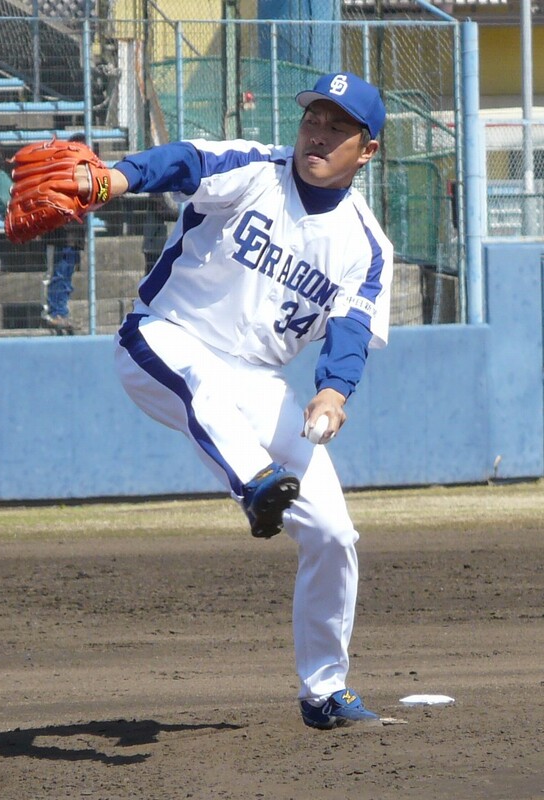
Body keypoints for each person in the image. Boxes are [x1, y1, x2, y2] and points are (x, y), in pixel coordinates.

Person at [80, 71, 393, 729]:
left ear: (367, 151)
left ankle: (324, 692)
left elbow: (353, 326)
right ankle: (254, 484)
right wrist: (118, 177)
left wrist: (335, 391)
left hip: (258, 382)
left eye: (339, 127)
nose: (319, 133)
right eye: (314, 117)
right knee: (204, 386)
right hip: (165, 336)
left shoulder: (366, 247)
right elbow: (188, 162)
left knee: (334, 534)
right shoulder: (256, 171)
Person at [41, 133, 87, 333]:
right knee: (60, 273)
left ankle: (61, 311)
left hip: (73, 234)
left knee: (65, 274)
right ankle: (56, 312)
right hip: (63, 233)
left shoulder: (84, 171)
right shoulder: (63, 171)